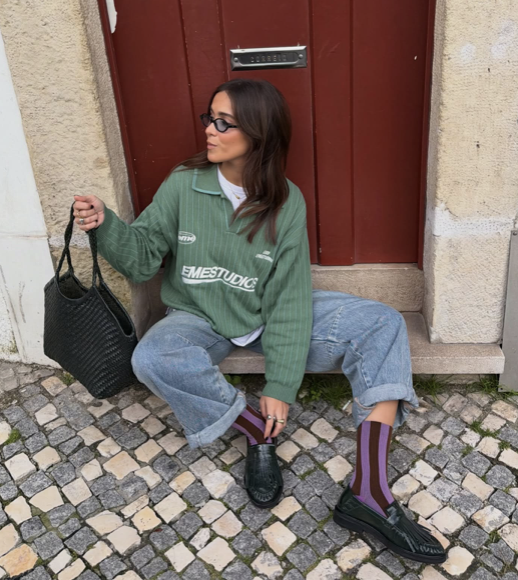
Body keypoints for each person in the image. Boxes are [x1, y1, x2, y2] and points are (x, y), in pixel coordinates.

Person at [73, 78, 445, 563]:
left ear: (259, 133)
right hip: (199, 316)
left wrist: (281, 386)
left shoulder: (286, 201)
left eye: (224, 122)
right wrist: (107, 225)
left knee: (382, 323)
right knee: (153, 357)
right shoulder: (184, 183)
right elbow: (142, 261)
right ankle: (257, 432)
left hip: (268, 314)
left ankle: (370, 493)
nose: (210, 129)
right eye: (209, 118)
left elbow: (289, 299)